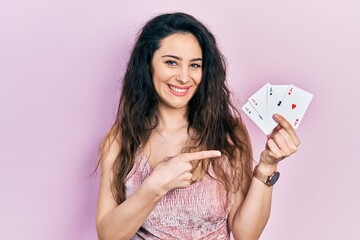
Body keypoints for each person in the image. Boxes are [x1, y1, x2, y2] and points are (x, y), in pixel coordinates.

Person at [95, 12, 300, 240]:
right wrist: (154, 187)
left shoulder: (228, 132)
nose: (184, 77)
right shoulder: (121, 138)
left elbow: (246, 234)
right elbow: (108, 235)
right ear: (148, 63)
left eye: (195, 65)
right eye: (171, 62)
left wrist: (268, 165)